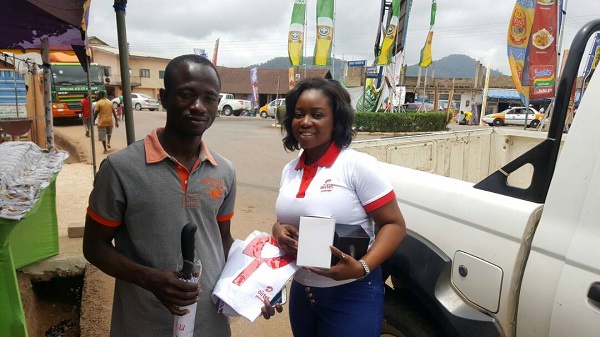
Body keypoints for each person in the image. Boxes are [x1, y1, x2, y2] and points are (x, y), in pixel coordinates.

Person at [83, 54, 237, 336]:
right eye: (187, 95)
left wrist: (254, 288)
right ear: (165, 98)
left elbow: (222, 239)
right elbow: (94, 246)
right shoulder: (120, 169)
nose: (198, 107)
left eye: (209, 98)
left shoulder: (224, 171)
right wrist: (149, 278)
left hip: (210, 324)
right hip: (144, 324)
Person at [269, 78, 407, 336]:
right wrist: (278, 230)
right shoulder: (290, 170)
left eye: (317, 114)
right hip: (303, 292)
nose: (306, 122)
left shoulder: (356, 166)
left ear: (336, 120)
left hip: (351, 294)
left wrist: (363, 266)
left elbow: (394, 225)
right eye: (298, 114)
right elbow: (288, 219)